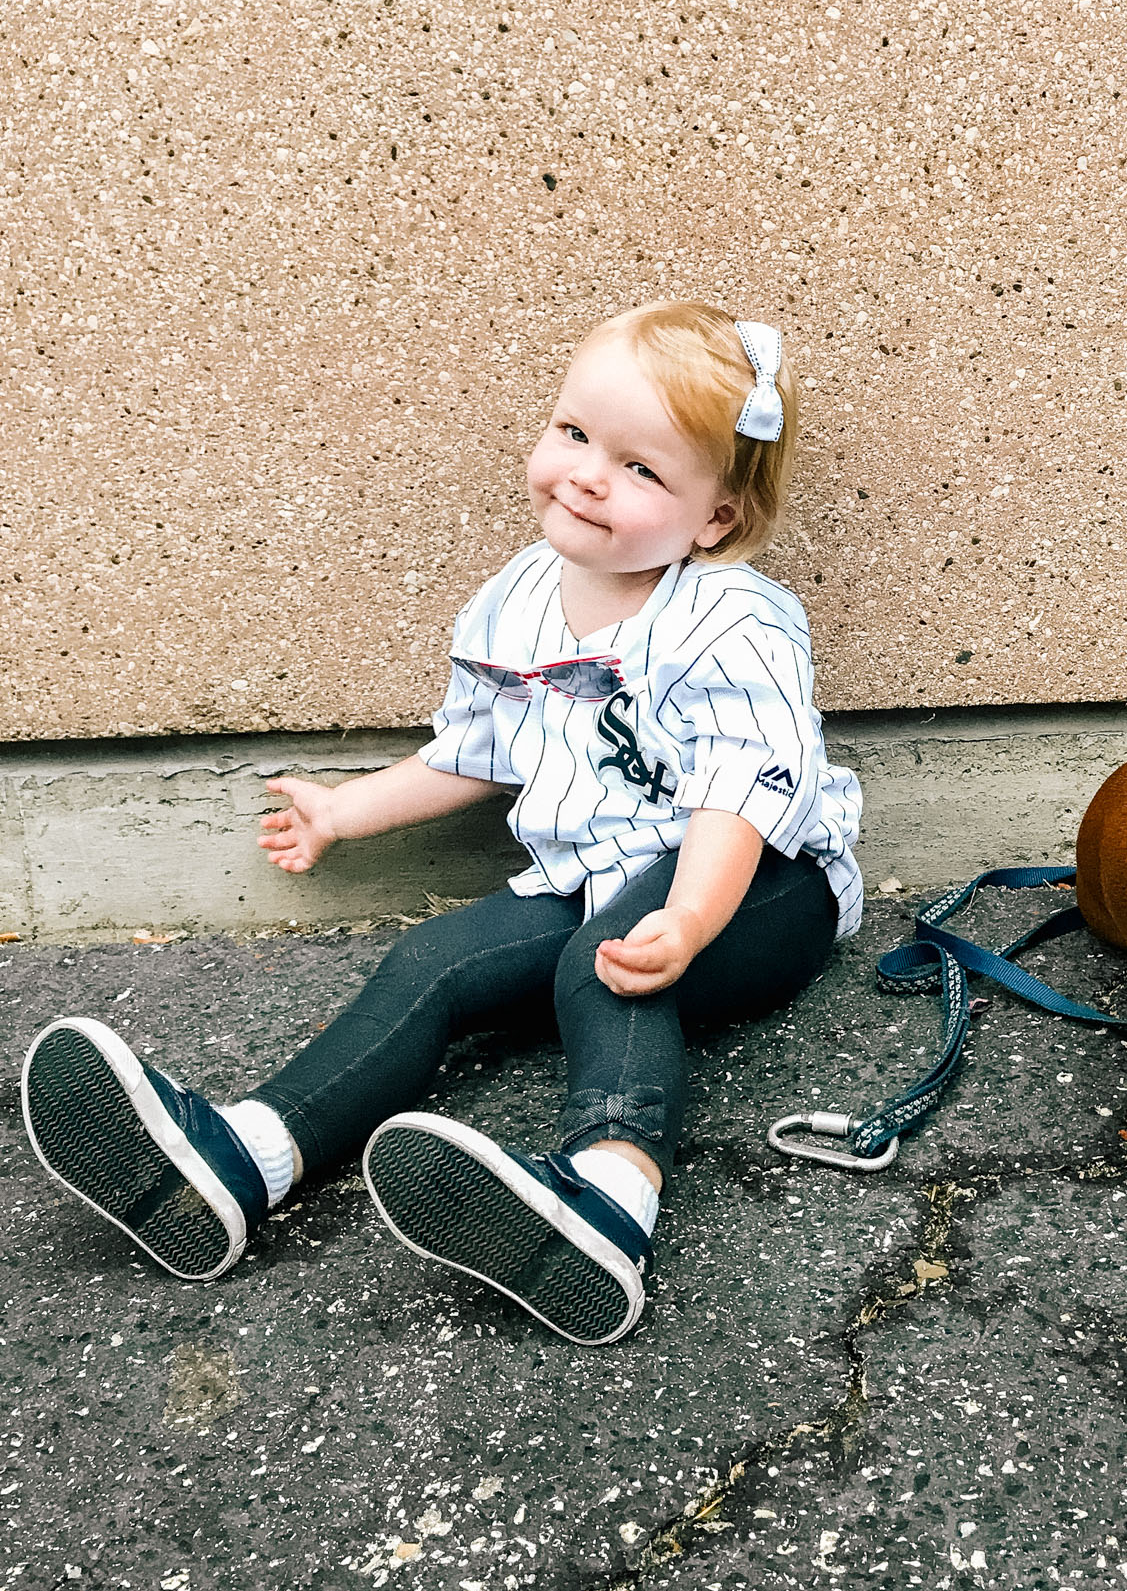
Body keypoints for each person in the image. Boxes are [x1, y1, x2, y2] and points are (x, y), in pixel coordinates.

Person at [21, 302, 863, 1346]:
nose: (591, 474)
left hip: (760, 886)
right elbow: (476, 749)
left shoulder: (731, 621)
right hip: (596, 873)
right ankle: (245, 1158)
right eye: (575, 435)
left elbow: (742, 791)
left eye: (643, 470)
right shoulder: (519, 600)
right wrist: (348, 811)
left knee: (602, 963)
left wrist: (689, 919)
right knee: (432, 962)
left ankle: (609, 1200)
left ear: (715, 521)